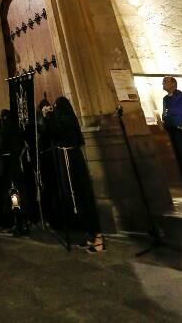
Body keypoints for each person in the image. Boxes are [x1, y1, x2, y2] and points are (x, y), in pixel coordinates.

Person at [41, 97, 105, 252]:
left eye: (55, 107)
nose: (53, 109)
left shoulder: (66, 119)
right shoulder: (66, 118)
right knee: (78, 197)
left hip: (71, 160)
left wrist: (47, 116)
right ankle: (91, 236)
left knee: (82, 196)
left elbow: (54, 130)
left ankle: (98, 238)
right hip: (68, 158)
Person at [0, 109, 30, 236]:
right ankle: (24, 223)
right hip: (19, 167)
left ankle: (19, 223)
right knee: (21, 194)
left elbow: (4, 148)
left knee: (14, 196)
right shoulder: (17, 129)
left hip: (12, 168)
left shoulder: (6, 129)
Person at [162, 76, 182, 204]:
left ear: (173, 83)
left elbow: (181, 113)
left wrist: (173, 120)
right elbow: (166, 114)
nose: (163, 83)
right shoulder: (166, 99)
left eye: (165, 82)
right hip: (173, 132)